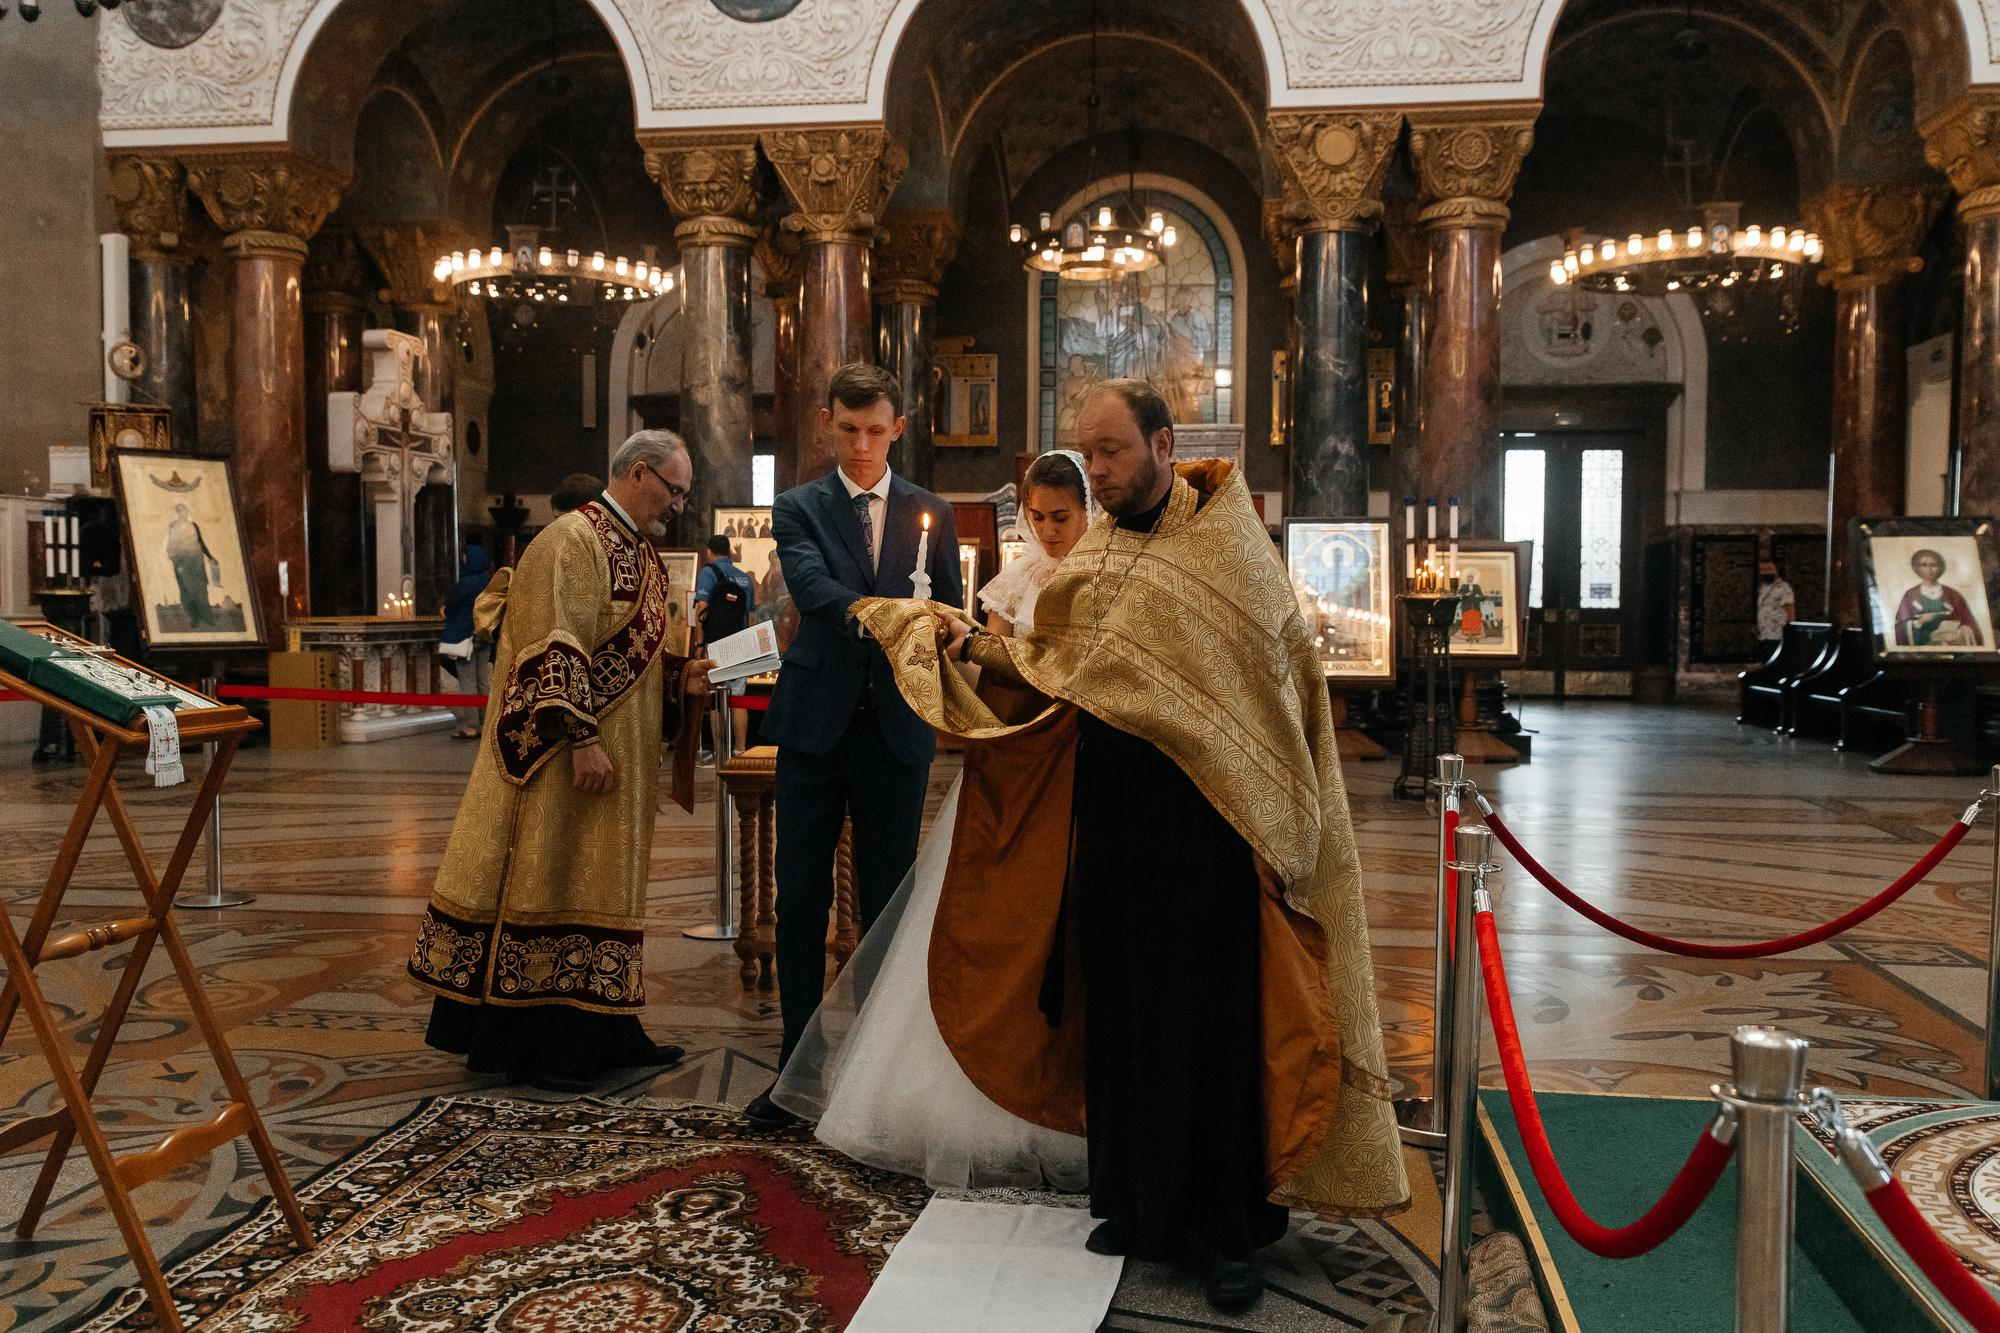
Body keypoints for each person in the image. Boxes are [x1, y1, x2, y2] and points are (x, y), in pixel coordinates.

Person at [851, 380, 1407, 1313]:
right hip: (1110, 822)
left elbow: (1268, 701)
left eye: (1111, 453)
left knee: (1211, 1027)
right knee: (1119, 1011)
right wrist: (973, 646)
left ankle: (1226, 1228)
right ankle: (1141, 1204)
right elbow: (1063, 665)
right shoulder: (1102, 546)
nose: (1098, 472)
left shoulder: (1231, 549)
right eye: (1087, 453)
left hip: (1210, 834)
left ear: (1162, 441)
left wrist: (1271, 824)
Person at [771, 450, 1097, 1189]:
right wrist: (945, 640)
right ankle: (821, 1057)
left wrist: (964, 640)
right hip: (997, 755)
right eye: (1037, 518)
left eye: (1061, 517)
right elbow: (973, 661)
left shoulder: (1104, 573)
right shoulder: (1014, 576)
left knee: (1032, 916)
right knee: (827, 899)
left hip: (1068, 756)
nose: (1047, 532)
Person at [407, 432, 714, 1093]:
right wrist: (583, 739)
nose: (680, 504)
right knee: (552, 883)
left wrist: (681, 678)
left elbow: (630, 649)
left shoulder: (639, 549)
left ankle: (609, 1029)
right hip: (559, 762)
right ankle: (538, 1042)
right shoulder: (571, 540)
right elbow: (554, 645)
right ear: (638, 472)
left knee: (604, 889)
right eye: (675, 488)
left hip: (618, 766)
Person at [744, 362, 963, 1129]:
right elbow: (809, 588)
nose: (864, 444)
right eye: (849, 429)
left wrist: (942, 626)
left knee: (887, 906)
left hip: (895, 731)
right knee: (801, 897)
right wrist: (896, 615)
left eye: (877, 430)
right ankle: (796, 1068)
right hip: (814, 725)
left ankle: (877, 1075)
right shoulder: (799, 505)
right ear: (828, 424)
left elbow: (948, 616)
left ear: (898, 427)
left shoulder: (932, 512)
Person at [473, 474, 600, 646]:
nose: (560, 529)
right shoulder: (544, 550)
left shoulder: (606, 555)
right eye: (556, 520)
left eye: (568, 522)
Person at [440, 542, 495, 740]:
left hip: (465, 636)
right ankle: (485, 723)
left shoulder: (466, 582)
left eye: (465, 556)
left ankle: (472, 726)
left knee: (468, 681)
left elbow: (452, 608)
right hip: (483, 635)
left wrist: (445, 611)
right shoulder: (489, 581)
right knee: (483, 680)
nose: (463, 559)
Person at [1894, 547, 1984, 646]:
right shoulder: (1910, 595)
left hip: (1952, 648)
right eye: (1924, 565)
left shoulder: (1952, 594)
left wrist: (1961, 632)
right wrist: (1919, 622)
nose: (1929, 569)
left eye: (1934, 565)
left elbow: (1969, 623)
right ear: (1917, 568)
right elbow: (1900, 627)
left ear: (1940, 567)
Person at [163, 502, 220, 629]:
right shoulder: (173, 526)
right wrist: (176, 562)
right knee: (186, 590)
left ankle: (207, 617)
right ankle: (194, 618)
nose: (183, 512)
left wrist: (210, 557)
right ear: (177, 512)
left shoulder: (193, 525)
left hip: (196, 562)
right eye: (180, 510)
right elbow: (170, 547)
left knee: (201, 589)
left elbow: (200, 542)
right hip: (181, 563)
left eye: (184, 510)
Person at [1755, 559, 1795, 659]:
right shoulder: (1760, 587)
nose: (1766, 572)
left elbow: (1790, 610)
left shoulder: (1783, 587)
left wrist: (1790, 630)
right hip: (1762, 633)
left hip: (1777, 634)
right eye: (1763, 569)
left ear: (1776, 570)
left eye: (1769, 569)